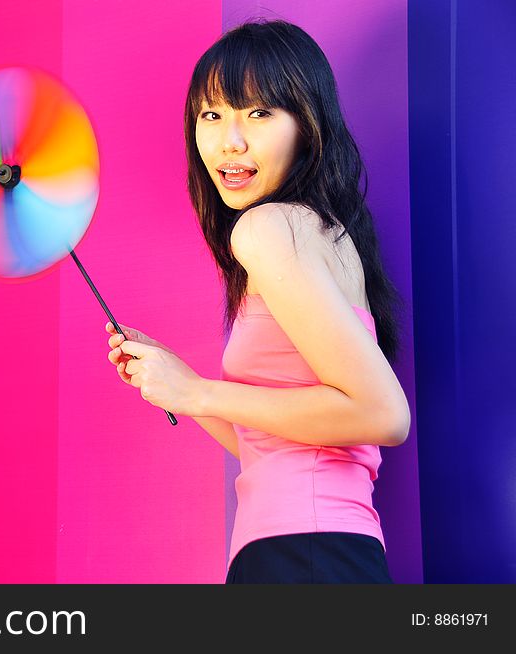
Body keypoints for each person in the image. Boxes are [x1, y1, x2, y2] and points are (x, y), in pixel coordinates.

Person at [104, 19, 409, 583]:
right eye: (212, 114)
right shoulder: (323, 233)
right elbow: (271, 449)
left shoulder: (268, 230)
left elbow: (383, 415)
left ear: (308, 124)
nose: (230, 141)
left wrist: (195, 389)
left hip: (303, 555)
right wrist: (179, 384)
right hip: (320, 551)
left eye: (260, 113)